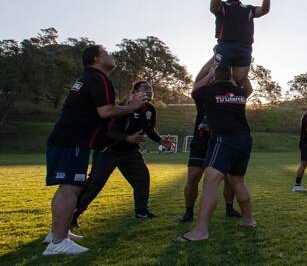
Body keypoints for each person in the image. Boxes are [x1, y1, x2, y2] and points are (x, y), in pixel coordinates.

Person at [43, 45, 147, 255]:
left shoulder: (87, 79)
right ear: (98, 58)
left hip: (66, 139)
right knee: (70, 188)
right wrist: (132, 107)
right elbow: (106, 111)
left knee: (68, 187)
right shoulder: (99, 78)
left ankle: (56, 233)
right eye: (107, 52)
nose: (111, 56)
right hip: (72, 141)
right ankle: (58, 243)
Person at [71, 81, 174, 230]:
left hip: (131, 152)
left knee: (142, 179)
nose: (149, 91)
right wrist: (128, 138)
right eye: (145, 88)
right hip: (109, 151)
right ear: (135, 92)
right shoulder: (123, 107)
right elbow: (111, 131)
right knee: (95, 183)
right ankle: (73, 215)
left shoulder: (150, 109)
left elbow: (150, 128)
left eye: (151, 89)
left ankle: (141, 212)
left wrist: (161, 140)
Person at [175, 65, 256, 243]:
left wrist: (209, 74)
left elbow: (194, 89)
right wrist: (242, 71)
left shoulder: (208, 92)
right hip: (244, 140)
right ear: (232, 77)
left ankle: (201, 230)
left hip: (224, 140)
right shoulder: (239, 92)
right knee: (238, 181)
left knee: (210, 181)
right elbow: (249, 88)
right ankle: (248, 220)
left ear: (213, 77)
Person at [179, 60, 242, 223]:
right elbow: (197, 84)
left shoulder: (230, 95)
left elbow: (240, 86)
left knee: (229, 178)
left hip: (222, 141)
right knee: (193, 177)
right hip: (201, 141)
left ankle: (229, 208)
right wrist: (213, 61)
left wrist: (233, 64)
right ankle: (188, 212)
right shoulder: (204, 93)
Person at [209, 0, 273, 95]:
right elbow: (212, 7)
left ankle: (234, 106)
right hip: (225, 46)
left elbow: (264, 10)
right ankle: (211, 106)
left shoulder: (248, 9)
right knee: (220, 79)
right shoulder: (222, 6)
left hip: (244, 48)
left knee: (238, 81)